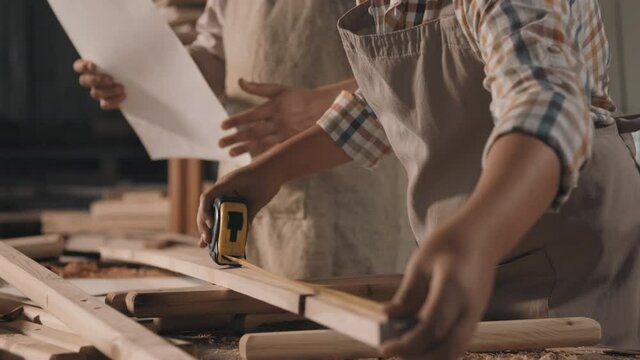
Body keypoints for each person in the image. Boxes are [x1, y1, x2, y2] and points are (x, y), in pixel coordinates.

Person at [197, 0, 640, 358]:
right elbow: (387, 107)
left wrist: (472, 239)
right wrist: (270, 170)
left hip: (577, 266)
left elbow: (545, 108)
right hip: (478, 253)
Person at [73, 0, 413, 279]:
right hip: (249, 191)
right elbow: (217, 48)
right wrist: (139, 78)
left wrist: (319, 105)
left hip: (353, 198)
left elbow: (411, 67)